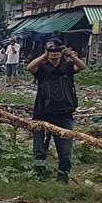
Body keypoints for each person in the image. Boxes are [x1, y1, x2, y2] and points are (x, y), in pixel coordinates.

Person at [27, 37, 86, 183]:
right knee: (40, 151)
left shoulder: (67, 66)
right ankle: (39, 177)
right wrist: (44, 55)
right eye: (51, 50)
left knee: (65, 152)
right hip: (42, 114)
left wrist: (71, 55)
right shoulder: (42, 67)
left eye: (57, 49)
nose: (55, 52)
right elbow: (29, 68)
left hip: (64, 115)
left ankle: (62, 178)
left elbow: (82, 67)